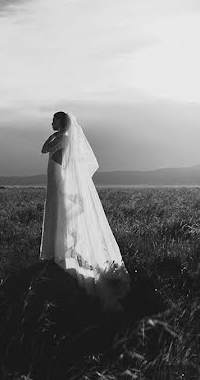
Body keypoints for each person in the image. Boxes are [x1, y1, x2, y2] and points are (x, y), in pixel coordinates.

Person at [40, 111, 130, 311]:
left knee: (60, 215)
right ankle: (56, 253)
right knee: (58, 214)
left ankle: (59, 255)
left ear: (61, 122)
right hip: (55, 181)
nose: (51, 123)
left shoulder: (62, 138)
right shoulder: (62, 137)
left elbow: (44, 150)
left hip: (58, 182)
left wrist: (51, 138)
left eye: (54, 120)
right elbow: (45, 150)